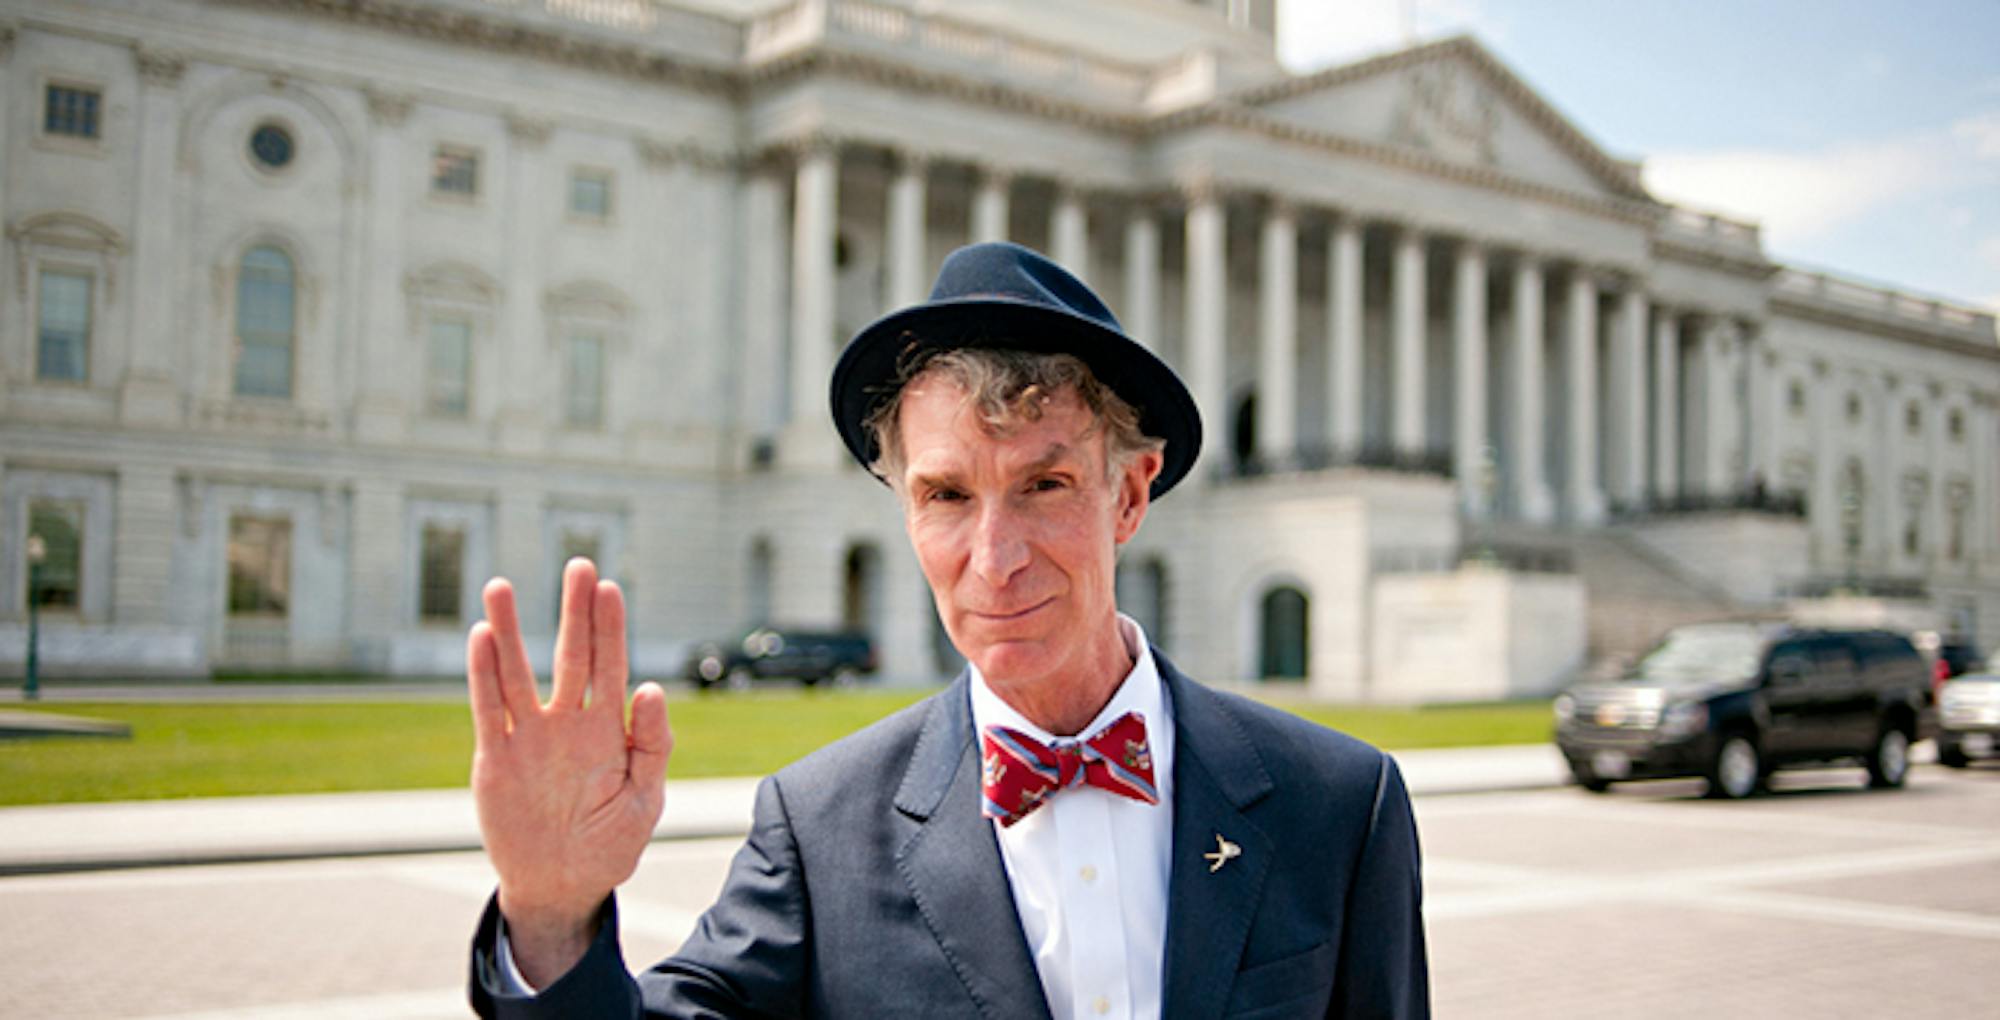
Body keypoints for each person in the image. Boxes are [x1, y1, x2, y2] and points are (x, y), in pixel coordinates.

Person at [465, 242, 1429, 1018]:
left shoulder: (1341, 806)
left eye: (1043, 486)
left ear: (1128, 495)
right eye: (947, 495)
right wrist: (552, 920)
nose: (993, 555)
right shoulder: (820, 830)